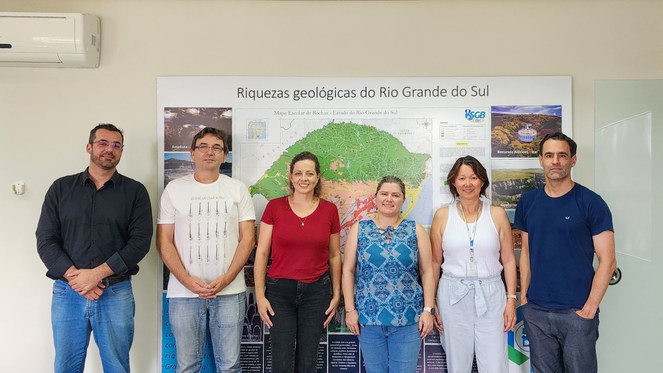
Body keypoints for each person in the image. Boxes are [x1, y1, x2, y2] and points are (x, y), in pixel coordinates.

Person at [36, 123, 153, 373]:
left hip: (115, 293)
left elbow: (140, 242)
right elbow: (45, 239)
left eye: (116, 145)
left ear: (122, 151)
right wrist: (77, 279)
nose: (109, 149)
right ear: (89, 147)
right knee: (66, 367)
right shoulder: (61, 188)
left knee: (117, 367)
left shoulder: (135, 192)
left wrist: (96, 275)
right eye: (103, 143)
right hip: (68, 293)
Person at [514, 132, 616, 373]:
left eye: (562, 155)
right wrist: (525, 298)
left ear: (573, 160)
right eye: (549, 155)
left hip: (576, 312)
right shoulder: (528, 202)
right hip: (536, 310)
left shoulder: (591, 202)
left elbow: (608, 260)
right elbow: (526, 251)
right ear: (541, 160)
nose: (555, 161)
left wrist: (590, 307)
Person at [157, 127, 256, 373]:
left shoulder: (238, 189)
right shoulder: (174, 190)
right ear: (192, 153)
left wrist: (226, 279)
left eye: (217, 148)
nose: (209, 152)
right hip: (184, 294)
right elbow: (164, 242)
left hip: (230, 293)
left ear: (225, 156)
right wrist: (188, 281)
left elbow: (247, 239)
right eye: (203, 146)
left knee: (230, 366)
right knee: (187, 366)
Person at [254, 151, 341, 373]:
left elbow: (334, 255)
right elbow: (262, 253)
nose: (304, 178)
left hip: (316, 292)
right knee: (281, 362)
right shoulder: (274, 207)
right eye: (299, 173)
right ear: (291, 177)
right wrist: (260, 295)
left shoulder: (329, 210)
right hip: (279, 292)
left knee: (308, 362)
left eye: (309, 173)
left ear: (318, 177)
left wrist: (336, 293)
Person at [430, 155, 517, 373]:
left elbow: (507, 259)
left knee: (495, 364)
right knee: (457, 364)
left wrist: (511, 300)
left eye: (474, 177)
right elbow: (434, 262)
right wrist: (431, 303)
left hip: (491, 293)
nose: (468, 183)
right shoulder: (442, 215)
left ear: (482, 182)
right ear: (453, 182)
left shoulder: (496, 214)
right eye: (462, 178)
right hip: (452, 293)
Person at [342, 176, 436, 372]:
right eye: (384, 194)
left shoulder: (415, 229)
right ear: (375, 197)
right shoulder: (360, 229)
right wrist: (350, 310)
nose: (389, 199)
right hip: (369, 320)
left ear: (403, 200)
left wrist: (428, 310)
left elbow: (427, 272)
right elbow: (348, 270)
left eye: (395, 195)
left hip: (408, 320)